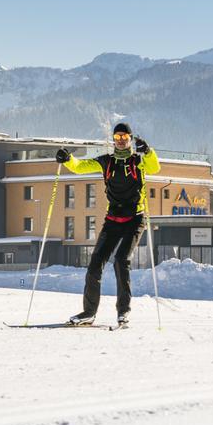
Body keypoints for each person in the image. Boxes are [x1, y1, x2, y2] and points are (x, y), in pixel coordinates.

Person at [55, 123, 159, 326]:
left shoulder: (138, 161)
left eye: (124, 137)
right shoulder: (107, 161)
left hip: (135, 219)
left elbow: (154, 167)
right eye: (117, 137)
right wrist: (67, 159)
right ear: (113, 140)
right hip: (113, 220)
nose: (120, 140)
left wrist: (148, 151)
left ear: (130, 139)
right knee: (95, 264)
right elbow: (80, 167)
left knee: (121, 260)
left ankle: (123, 311)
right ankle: (89, 313)